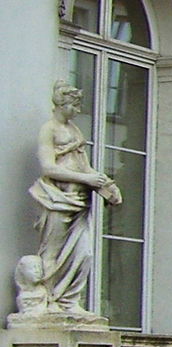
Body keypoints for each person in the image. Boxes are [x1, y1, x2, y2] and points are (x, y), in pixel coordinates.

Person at [30, 81, 120, 317]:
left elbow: (85, 166)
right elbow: (48, 168)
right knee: (53, 252)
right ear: (61, 103)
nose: (78, 110)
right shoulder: (48, 129)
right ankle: (49, 302)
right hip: (57, 199)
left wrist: (105, 183)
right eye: (74, 105)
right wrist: (85, 179)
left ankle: (69, 301)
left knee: (84, 254)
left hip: (80, 200)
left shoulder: (75, 131)